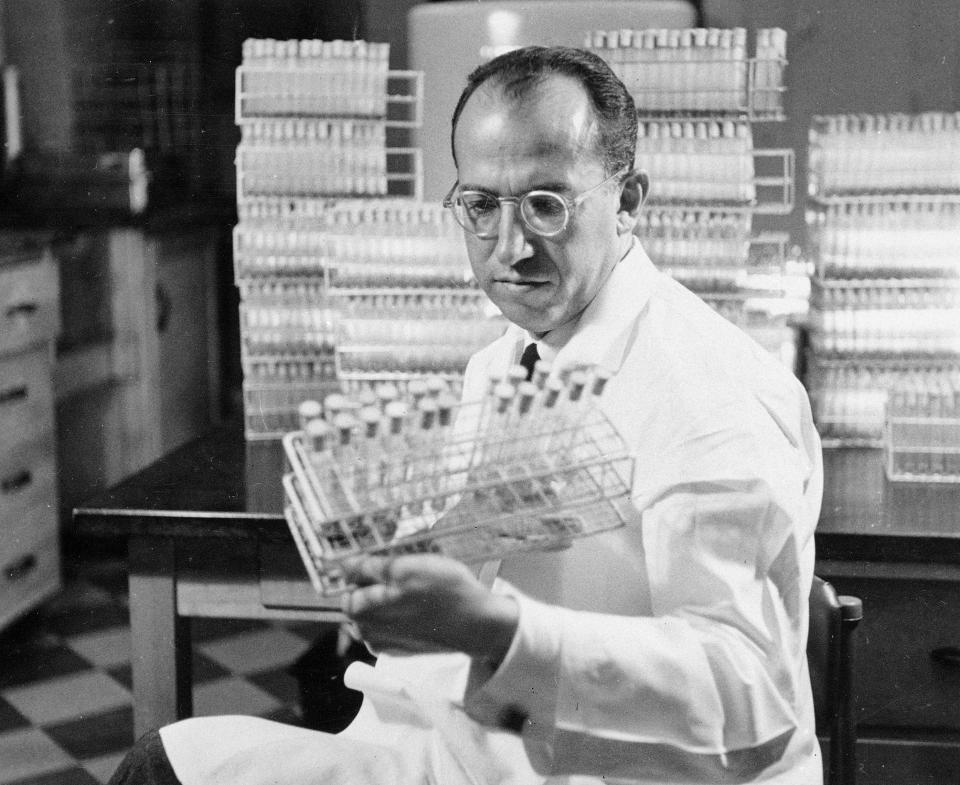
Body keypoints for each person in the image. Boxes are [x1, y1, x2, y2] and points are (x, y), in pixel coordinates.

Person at [109, 45, 823, 785]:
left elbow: (749, 693)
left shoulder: (707, 389)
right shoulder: (510, 357)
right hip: (471, 748)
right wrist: (417, 573)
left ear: (629, 199)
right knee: (166, 766)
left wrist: (497, 628)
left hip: (629, 774)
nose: (510, 248)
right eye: (482, 206)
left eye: (546, 203)